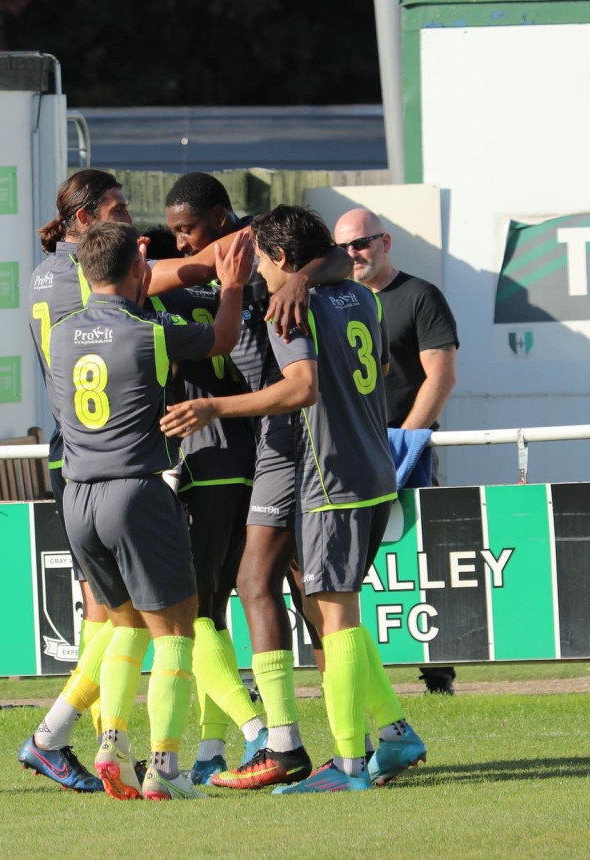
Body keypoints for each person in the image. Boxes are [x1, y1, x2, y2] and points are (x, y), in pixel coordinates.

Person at [18, 169, 312, 791]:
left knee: (117, 622)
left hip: (75, 470)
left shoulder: (48, 291)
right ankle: (185, 757)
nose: (133, 224)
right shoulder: (141, 322)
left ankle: (71, 736)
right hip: (132, 475)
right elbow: (210, 295)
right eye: (120, 211)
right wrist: (248, 258)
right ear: (86, 224)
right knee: (181, 621)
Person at [162, 205, 426, 793]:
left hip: (315, 458)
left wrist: (211, 406)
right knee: (290, 590)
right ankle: (354, 735)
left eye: (248, 249)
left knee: (321, 603)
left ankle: (333, 755)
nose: (234, 254)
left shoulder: (290, 298)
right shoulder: (355, 293)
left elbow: (302, 386)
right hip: (343, 458)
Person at [50, 220, 251, 801]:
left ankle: (112, 742)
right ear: (140, 270)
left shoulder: (61, 334)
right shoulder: (150, 331)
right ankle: (165, 767)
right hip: (134, 490)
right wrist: (232, 286)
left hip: (78, 496)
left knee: (123, 625)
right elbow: (220, 339)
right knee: (176, 632)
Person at [162, 173, 350, 787]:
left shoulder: (261, 265)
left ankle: (269, 739)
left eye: (188, 229)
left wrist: (295, 274)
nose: (181, 242)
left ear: (222, 220)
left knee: (225, 605)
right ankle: (229, 746)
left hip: (249, 451)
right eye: (172, 234)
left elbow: (331, 254)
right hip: (255, 449)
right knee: (261, 597)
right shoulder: (192, 274)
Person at [335, 208, 460, 695]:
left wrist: (402, 442)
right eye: (343, 246)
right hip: (347, 456)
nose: (353, 254)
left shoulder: (420, 295)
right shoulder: (332, 299)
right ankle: (353, 670)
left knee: (418, 561)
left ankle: (438, 673)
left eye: (361, 243)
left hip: (404, 455)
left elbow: (442, 378)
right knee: (350, 569)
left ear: (385, 242)